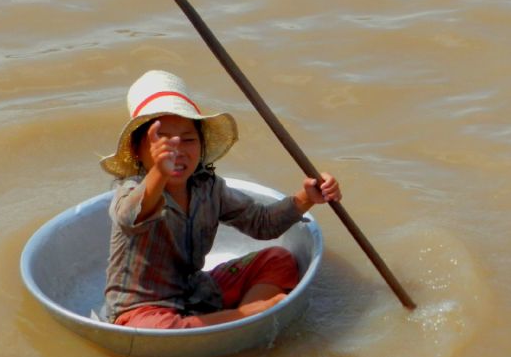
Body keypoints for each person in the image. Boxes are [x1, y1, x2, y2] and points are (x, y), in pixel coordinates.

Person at [99, 69, 341, 329]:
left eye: (188, 140)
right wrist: (159, 171)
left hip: (195, 292)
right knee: (157, 327)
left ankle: (239, 319)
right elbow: (129, 216)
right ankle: (248, 316)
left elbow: (262, 223)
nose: (176, 152)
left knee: (278, 260)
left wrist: (306, 197)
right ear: (138, 150)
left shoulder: (208, 188)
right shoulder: (131, 190)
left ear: (201, 145)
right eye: (163, 143)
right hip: (142, 310)